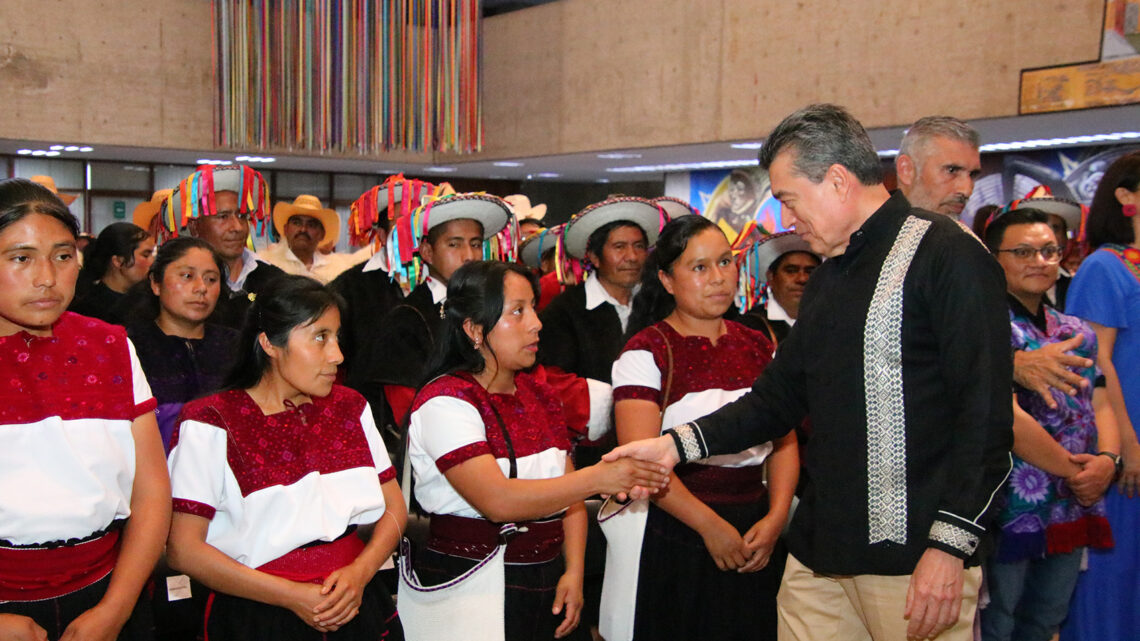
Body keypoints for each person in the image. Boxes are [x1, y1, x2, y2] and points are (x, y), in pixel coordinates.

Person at [605, 104, 1014, 641]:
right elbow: (775, 401)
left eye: (789, 200)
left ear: (838, 181)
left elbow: (985, 420)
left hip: (914, 559)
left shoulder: (947, 254)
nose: (789, 219)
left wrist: (949, 547)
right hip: (820, 551)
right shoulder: (828, 277)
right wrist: (672, 447)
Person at [404, 260, 669, 641]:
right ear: (475, 330)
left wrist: (574, 571)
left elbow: (569, 497)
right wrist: (599, 476)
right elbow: (498, 501)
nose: (536, 323)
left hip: (546, 578)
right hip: (468, 581)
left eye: (533, 307)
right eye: (517, 312)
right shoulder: (445, 401)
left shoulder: (538, 393)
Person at [165, 275, 405, 640]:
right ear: (269, 343)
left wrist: (361, 572)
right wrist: (291, 595)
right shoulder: (212, 421)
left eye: (337, 337)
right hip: (258, 611)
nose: (337, 355)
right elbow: (184, 549)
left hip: (355, 598)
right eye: (320, 337)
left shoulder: (350, 407)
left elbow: (394, 506)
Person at [603, 215, 798, 640]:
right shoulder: (647, 350)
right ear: (667, 280)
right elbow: (642, 459)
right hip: (680, 527)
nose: (718, 279)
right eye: (699, 267)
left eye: (726, 263)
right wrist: (710, 527)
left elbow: (784, 439)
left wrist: (776, 517)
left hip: (756, 526)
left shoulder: (758, 344)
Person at [0, 178, 170, 640]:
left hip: (107, 591)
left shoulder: (108, 345)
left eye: (62, 255)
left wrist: (116, 609)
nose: (46, 278)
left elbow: (152, 491)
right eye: (21, 258)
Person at [979, 208, 1117, 641]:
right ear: (992, 258)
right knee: (999, 621)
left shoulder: (1075, 330)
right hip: (1007, 504)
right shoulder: (983, 329)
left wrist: (1108, 461)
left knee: (1047, 620)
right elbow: (1004, 417)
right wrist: (1079, 471)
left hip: (1071, 502)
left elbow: (1102, 399)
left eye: (1049, 251)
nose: (1039, 261)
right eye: (1023, 251)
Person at [1060, 149, 1140, 641]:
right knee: (1115, 568)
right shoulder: (1103, 269)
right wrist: (1125, 442)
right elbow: (1096, 360)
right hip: (1124, 432)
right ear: (1126, 197)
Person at [372, 193, 514, 433]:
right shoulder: (407, 319)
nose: (469, 255)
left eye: (476, 244)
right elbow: (408, 409)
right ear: (427, 252)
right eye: (454, 244)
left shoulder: (494, 308)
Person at [124, 237, 239, 451]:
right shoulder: (129, 348)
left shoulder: (238, 347)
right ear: (155, 284)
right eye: (187, 276)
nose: (201, 288)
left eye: (211, 279)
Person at [538, 196, 661, 384]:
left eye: (639, 246)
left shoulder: (656, 304)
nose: (632, 257)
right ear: (594, 257)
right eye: (619, 247)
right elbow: (553, 381)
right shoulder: (564, 313)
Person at [168, 165, 286, 328]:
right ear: (195, 227)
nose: (237, 227)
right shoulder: (179, 283)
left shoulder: (273, 280)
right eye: (223, 217)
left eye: (242, 216)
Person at [738, 231, 821, 346]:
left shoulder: (832, 323)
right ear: (771, 277)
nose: (802, 279)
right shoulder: (747, 328)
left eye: (810, 272)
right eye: (791, 271)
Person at [894, 115, 983, 219]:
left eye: (972, 175)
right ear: (906, 170)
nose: (966, 191)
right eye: (951, 170)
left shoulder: (963, 234)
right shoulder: (874, 232)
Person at [70, 222, 156, 324]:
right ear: (118, 261)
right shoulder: (88, 311)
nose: (152, 262)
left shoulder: (150, 301)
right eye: (146, 255)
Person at [259, 194, 351, 284]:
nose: (303, 229)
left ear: (322, 234)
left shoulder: (335, 271)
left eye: (311, 225)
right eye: (297, 223)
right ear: (285, 229)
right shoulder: (268, 264)